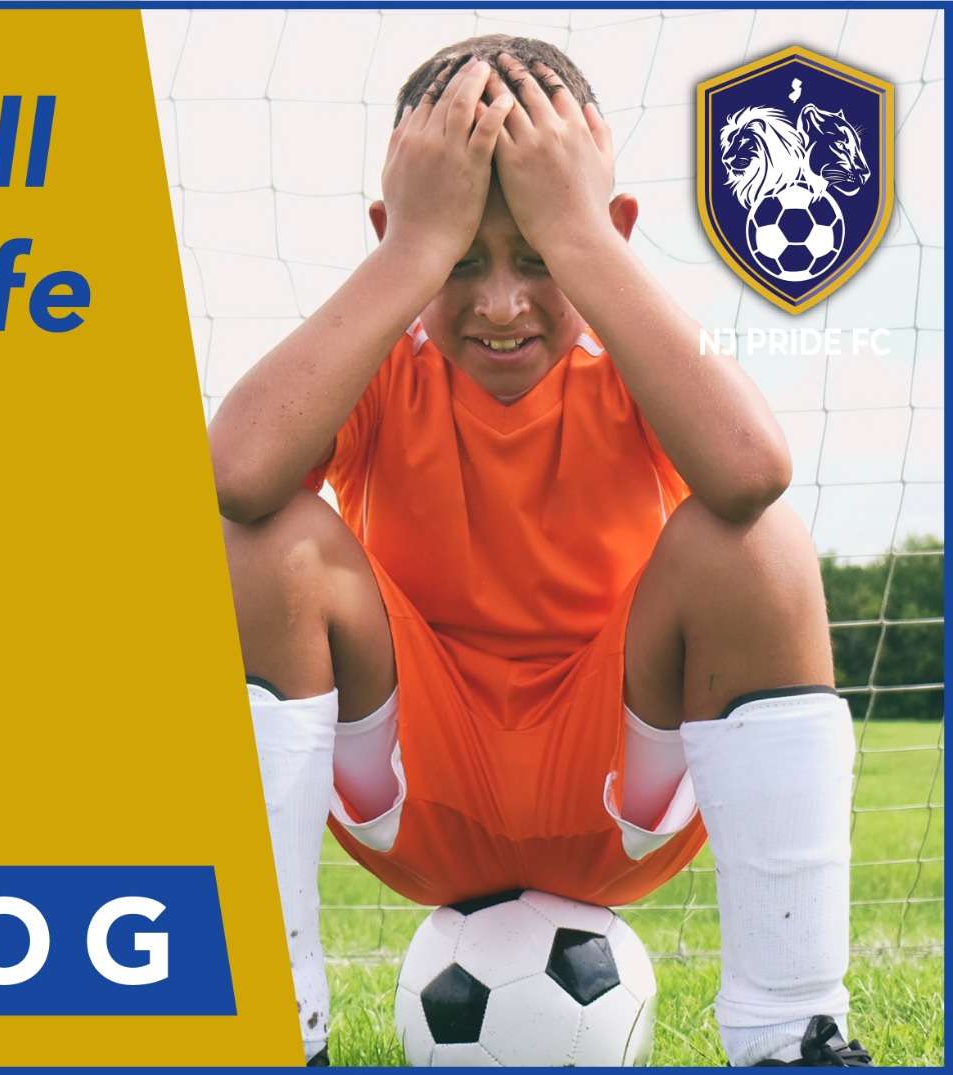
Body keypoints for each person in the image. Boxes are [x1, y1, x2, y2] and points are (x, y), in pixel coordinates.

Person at [208, 36, 870, 1067]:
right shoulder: (378, 374)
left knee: (755, 545)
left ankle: (792, 1032)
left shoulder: (633, 371)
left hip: (615, 794)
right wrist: (408, 258)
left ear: (606, 235)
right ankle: (266, 1027)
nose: (502, 302)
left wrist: (584, 240)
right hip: (412, 788)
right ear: (398, 238)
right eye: (461, 257)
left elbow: (750, 472)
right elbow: (236, 475)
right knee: (260, 541)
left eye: (539, 256)